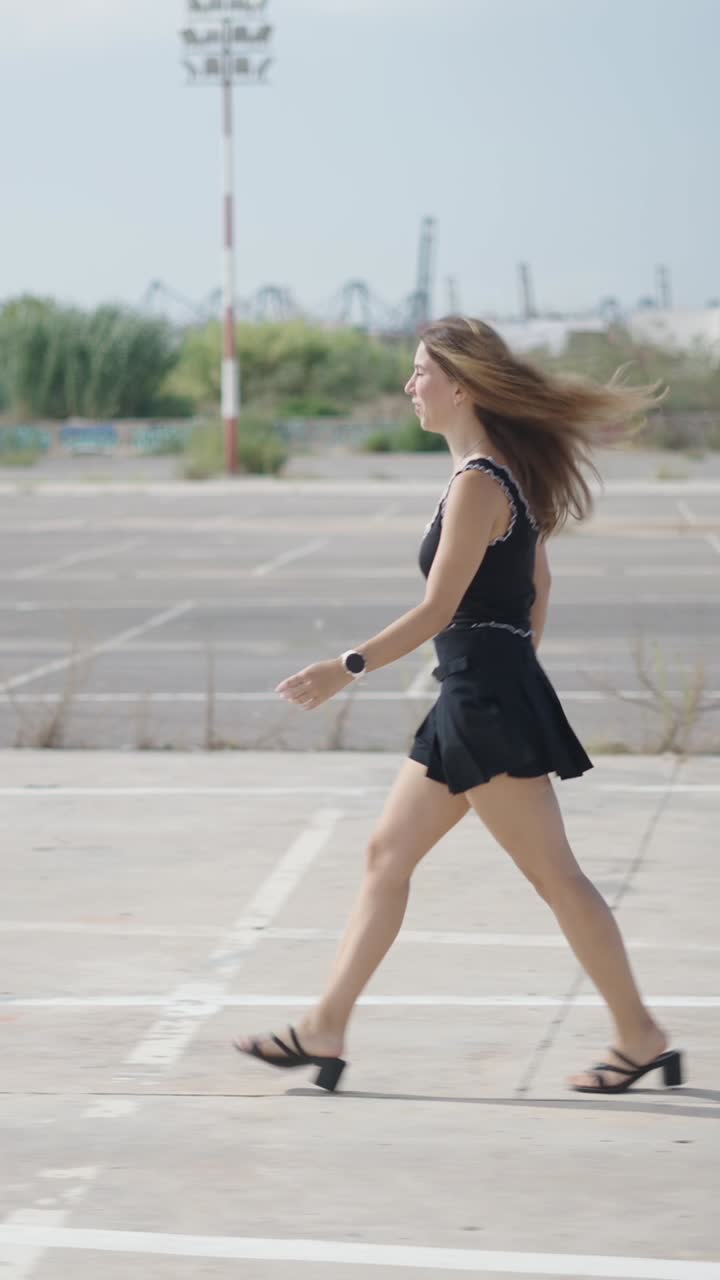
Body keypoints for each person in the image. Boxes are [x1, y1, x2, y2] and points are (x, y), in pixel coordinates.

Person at [234, 315, 683, 1096]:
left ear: (461, 385)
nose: (410, 386)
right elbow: (538, 586)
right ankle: (326, 1026)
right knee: (387, 856)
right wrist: (515, 664)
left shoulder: (481, 480)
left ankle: (640, 1036)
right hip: (479, 692)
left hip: (480, 697)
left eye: (419, 373)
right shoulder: (498, 473)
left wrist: (348, 666)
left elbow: (441, 606)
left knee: (556, 877)